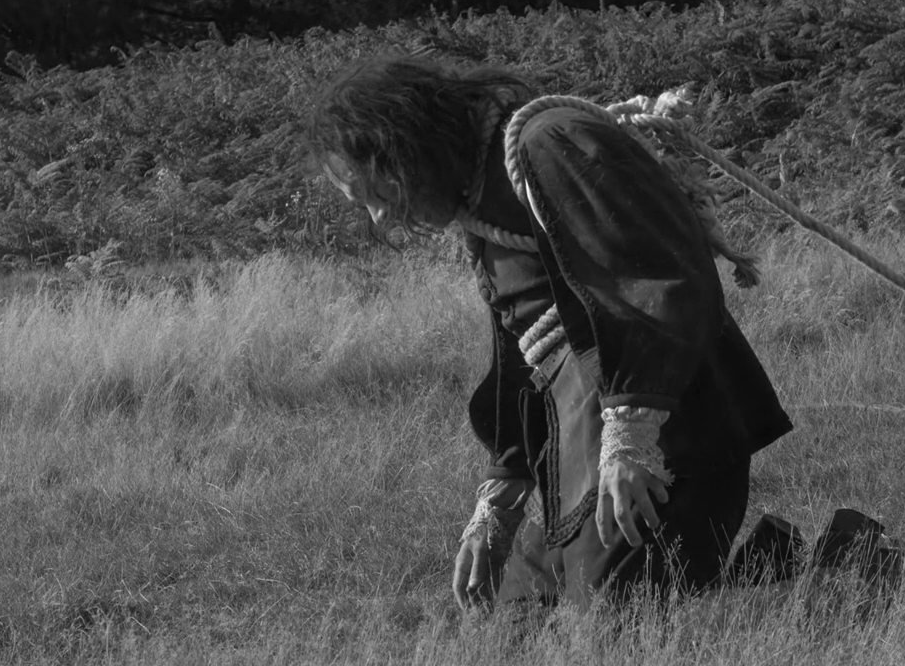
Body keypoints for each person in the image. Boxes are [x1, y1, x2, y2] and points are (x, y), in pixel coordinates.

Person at [305, 56, 794, 608]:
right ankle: (780, 564)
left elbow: (662, 280)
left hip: (673, 432)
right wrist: (500, 500)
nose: (379, 217)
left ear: (405, 149)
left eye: (376, 194)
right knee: (516, 620)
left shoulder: (550, 143)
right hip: (579, 443)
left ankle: (840, 564)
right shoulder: (478, 200)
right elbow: (524, 353)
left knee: (611, 625)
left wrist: (631, 439)